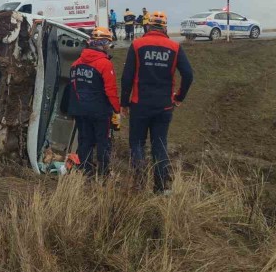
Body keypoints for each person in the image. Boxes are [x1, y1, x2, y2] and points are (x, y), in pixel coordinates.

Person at [121, 11, 193, 193]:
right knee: (159, 144)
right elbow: (189, 75)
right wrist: (179, 97)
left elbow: (127, 77)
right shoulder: (174, 47)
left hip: (140, 104)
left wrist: (124, 102)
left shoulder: (137, 45)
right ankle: (161, 188)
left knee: (137, 142)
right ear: (165, 27)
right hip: (164, 106)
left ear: (148, 26)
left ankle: (139, 184)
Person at [67, 27, 120, 176]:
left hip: (80, 111)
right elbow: (111, 90)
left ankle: (86, 173)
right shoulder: (105, 64)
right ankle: (103, 175)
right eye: (108, 44)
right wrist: (117, 110)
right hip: (100, 112)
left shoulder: (75, 64)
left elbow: (72, 88)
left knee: (85, 142)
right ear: (103, 43)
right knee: (103, 142)